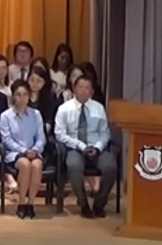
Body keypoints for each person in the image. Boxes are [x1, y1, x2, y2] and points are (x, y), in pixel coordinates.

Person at [55, 74, 117, 219]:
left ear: (92, 91)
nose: (83, 91)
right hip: (75, 148)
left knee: (110, 167)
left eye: (87, 88)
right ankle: (83, 204)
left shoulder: (98, 108)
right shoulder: (64, 109)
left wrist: (98, 147)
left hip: (96, 148)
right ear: (74, 89)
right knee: (74, 166)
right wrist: (80, 145)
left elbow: (105, 132)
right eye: (80, 87)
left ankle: (99, 204)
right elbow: (59, 134)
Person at [0, 79, 46, 219]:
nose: (22, 98)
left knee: (37, 165)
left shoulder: (36, 114)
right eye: (18, 94)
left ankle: (30, 204)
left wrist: (35, 149)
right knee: (25, 164)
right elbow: (6, 139)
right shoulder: (6, 116)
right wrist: (23, 151)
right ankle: (21, 203)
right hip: (15, 153)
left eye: (25, 94)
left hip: (34, 151)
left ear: (29, 96)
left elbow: (41, 137)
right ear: (13, 96)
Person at [27, 64, 60, 131]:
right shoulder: (23, 95)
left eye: (39, 81)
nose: (35, 83)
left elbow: (49, 120)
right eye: (32, 80)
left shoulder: (50, 98)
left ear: (44, 82)